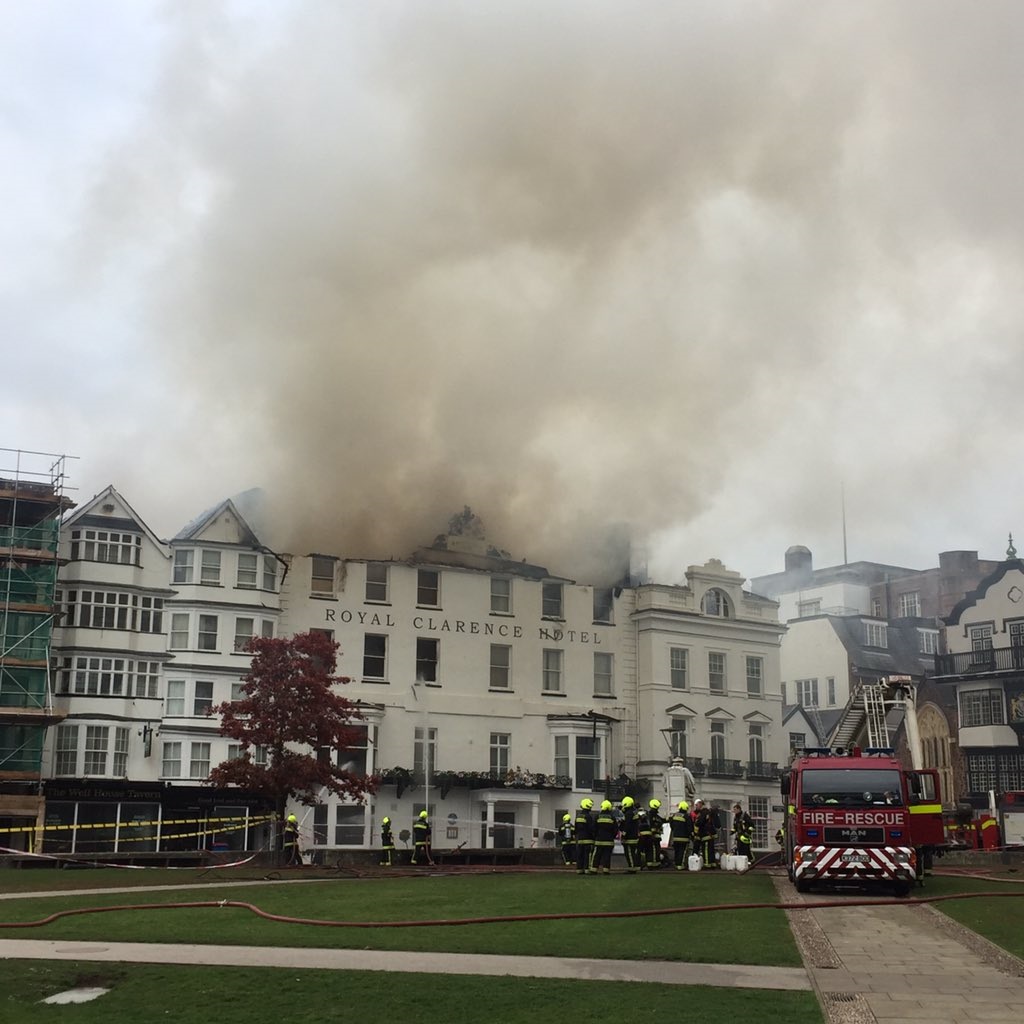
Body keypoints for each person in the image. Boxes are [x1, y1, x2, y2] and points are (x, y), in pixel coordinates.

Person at [592, 800, 617, 875]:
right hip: (609, 841)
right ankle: (606, 870)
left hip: (599, 840)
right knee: (607, 856)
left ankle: (594, 870)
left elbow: (594, 828)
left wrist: (596, 836)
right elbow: (615, 829)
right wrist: (612, 836)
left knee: (597, 856)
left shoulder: (597, 816)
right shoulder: (612, 817)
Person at [668, 801, 693, 870]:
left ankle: (676, 864)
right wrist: (691, 835)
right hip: (684, 838)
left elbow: (671, 825)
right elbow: (689, 827)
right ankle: (680, 865)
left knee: (677, 851)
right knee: (682, 852)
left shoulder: (674, 815)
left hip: (675, 837)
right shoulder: (687, 816)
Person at [620, 796, 641, 873]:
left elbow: (627, 825)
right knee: (633, 853)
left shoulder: (628, 814)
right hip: (634, 835)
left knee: (629, 853)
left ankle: (632, 868)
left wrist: (624, 835)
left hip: (629, 837)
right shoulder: (634, 812)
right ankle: (635, 866)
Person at [574, 798, 595, 875]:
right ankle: (587, 869)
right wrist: (594, 836)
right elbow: (591, 828)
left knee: (580, 855)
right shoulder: (588, 817)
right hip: (588, 840)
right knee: (587, 855)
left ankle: (579, 869)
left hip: (580, 839)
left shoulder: (578, 816)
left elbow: (576, 828)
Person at [647, 799, 665, 868]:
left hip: (656, 836)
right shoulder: (651, 815)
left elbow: (663, 820)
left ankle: (656, 863)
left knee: (656, 850)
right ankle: (653, 864)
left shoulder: (655, 816)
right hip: (652, 836)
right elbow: (651, 826)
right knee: (654, 850)